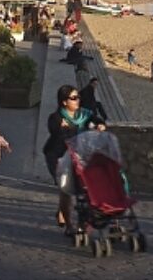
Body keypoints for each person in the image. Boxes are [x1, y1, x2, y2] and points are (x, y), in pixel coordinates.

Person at [42, 85, 106, 235]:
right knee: (66, 189)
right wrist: (63, 128)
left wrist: (101, 124)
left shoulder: (83, 114)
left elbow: (96, 119)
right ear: (64, 102)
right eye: (73, 98)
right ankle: (69, 225)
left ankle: (82, 220)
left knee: (85, 188)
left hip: (79, 155)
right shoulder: (56, 117)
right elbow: (55, 129)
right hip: (58, 156)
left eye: (78, 97)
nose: (77, 100)